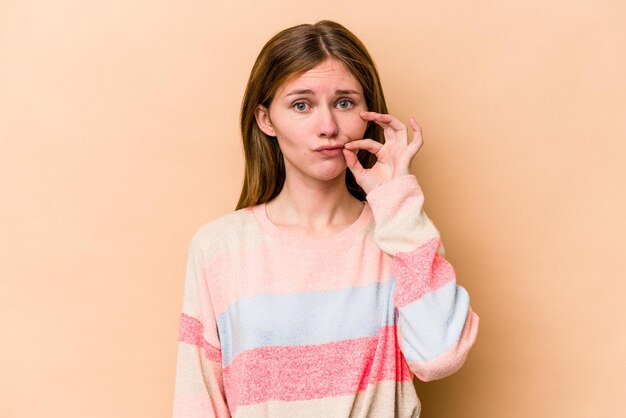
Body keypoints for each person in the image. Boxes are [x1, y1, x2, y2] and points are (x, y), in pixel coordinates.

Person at [172, 20, 479, 418]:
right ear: (266, 119)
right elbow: (198, 403)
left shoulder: (397, 236)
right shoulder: (219, 248)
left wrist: (397, 201)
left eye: (345, 103)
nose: (329, 127)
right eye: (302, 105)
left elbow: (440, 356)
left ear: (369, 114)